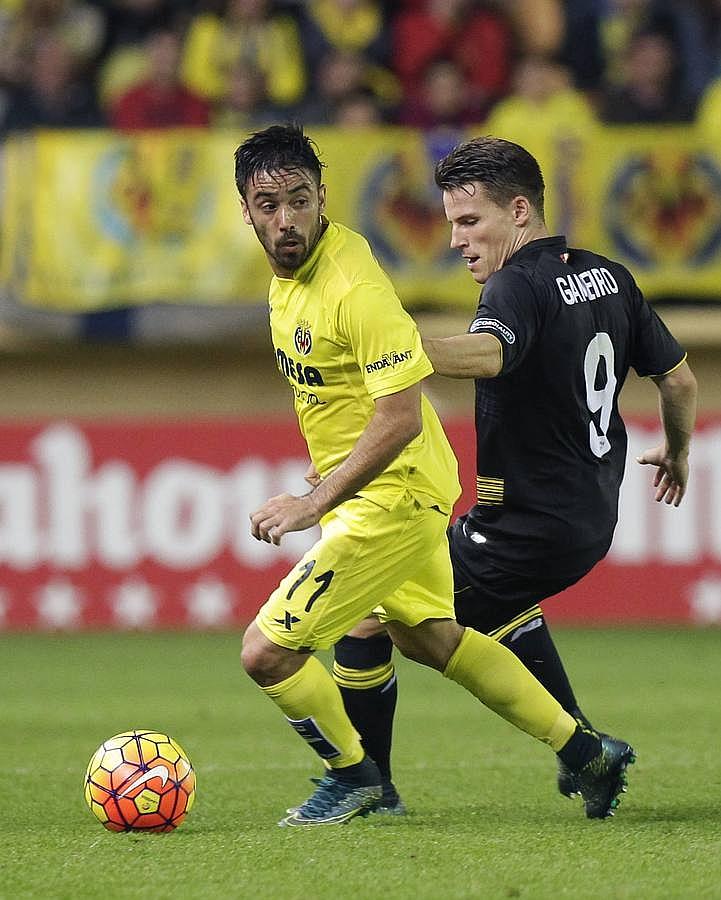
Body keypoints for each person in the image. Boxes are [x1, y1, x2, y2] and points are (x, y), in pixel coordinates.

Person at [235, 123, 635, 827]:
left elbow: (396, 414)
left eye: (299, 200)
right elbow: (336, 393)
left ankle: (355, 777)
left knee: (267, 652)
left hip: (394, 493)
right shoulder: (289, 281)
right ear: (246, 210)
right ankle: (585, 751)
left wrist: (312, 500)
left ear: (323, 196)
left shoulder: (352, 286)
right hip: (390, 483)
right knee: (424, 636)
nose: (285, 218)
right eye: (268, 205)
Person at [331, 135, 697, 807]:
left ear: (519, 211)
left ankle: (372, 787)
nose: (454, 240)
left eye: (469, 221)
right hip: (585, 517)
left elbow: (491, 352)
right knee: (493, 607)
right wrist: (676, 453)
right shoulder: (609, 275)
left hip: (528, 524)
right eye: (449, 224)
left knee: (371, 612)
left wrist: (396, 350)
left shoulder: (514, 284)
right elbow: (677, 382)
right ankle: (581, 749)